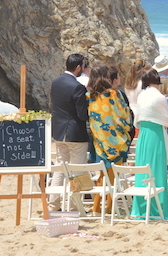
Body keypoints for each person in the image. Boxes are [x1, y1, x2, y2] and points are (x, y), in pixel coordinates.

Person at [86, 65, 133, 215]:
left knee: (102, 175)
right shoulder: (114, 94)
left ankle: (96, 207)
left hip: (99, 141)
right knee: (113, 177)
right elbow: (124, 115)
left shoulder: (90, 96)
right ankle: (109, 208)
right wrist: (127, 129)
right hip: (116, 141)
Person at [48, 53, 89, 211]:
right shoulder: (77, 86)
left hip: (59, 132)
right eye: (83, 67)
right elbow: (82, 114)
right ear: (78, 67)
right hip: (75, 133)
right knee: (77, 170)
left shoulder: (56, 82)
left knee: (60, 168)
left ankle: (53, 204)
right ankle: (74, 206)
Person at [132, 69, 168, 220]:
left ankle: (141, 209)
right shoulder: (160, 97)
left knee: (143, 168)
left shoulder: (141, 95)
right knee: (157, 169)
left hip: (143, 134)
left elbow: (138, 118)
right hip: (156, 135)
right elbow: (167, 121)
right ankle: (157, 209)